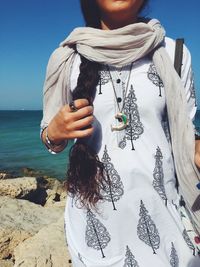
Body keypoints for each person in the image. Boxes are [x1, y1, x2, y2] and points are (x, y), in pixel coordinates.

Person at [40, 0, 200, 266]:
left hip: (166, 220)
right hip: (94, 222)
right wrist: (54, 133)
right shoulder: (67, 58)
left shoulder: (174, 53)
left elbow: (185, 134)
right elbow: (50, 139)